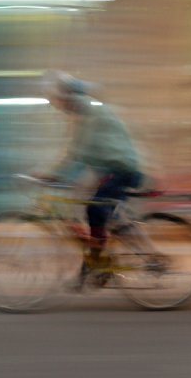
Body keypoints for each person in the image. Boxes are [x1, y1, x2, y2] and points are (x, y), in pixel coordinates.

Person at [36, 71, 144, 281]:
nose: (55, 105)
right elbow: (75, 152)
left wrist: (52, 174)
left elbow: (78, 151)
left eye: (55, 99)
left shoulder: (88, 112)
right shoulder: (81, 113)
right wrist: (55, 174)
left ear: (65, 96)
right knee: (83, 207)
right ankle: (95, 262)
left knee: (95, 209)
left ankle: (99, 263)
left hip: (122, 170)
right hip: (107, 169)